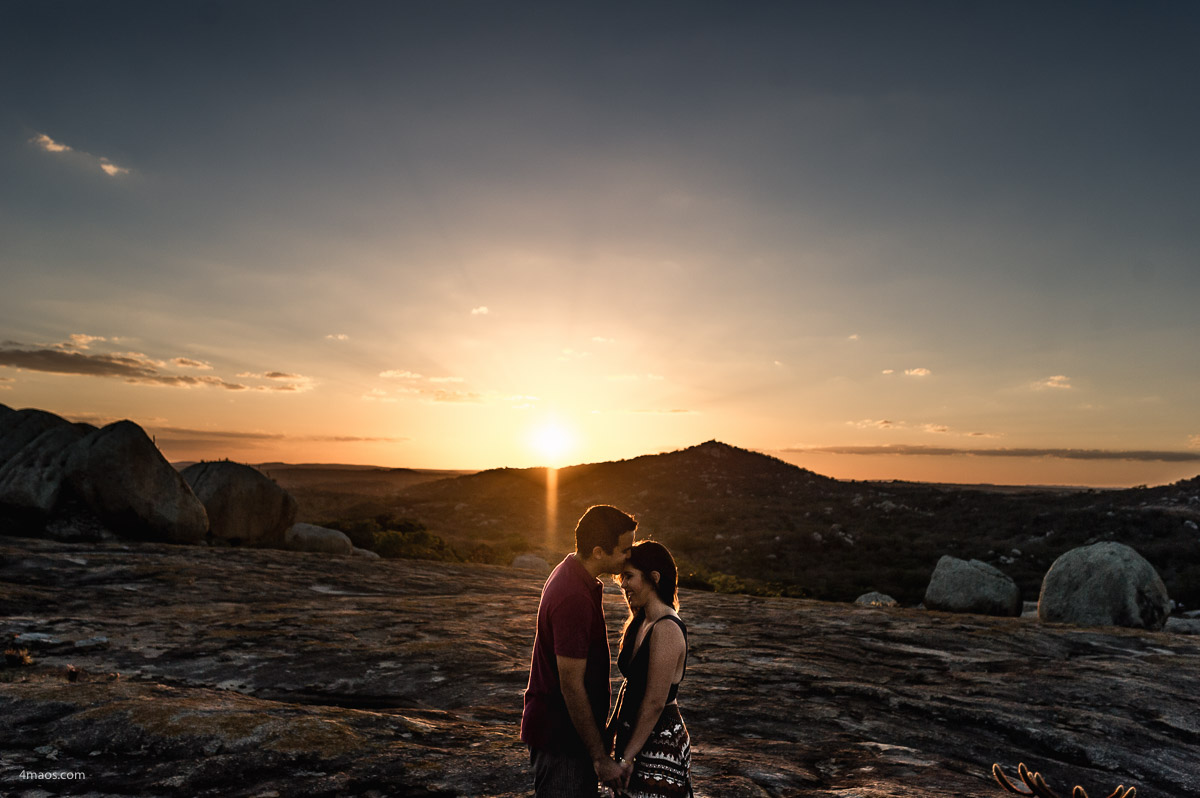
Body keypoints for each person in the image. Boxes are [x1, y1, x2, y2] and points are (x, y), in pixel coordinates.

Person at [522, 505, 638, 797]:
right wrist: (600, 757)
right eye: (625, 549)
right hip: (562, 741)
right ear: (599, 551)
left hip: (567, 736)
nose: (630, 555)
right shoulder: (573, 595)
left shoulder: (572, 573)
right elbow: (571, 685)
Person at [607, 540, 692, 798]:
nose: (623, 584)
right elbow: (629, 685)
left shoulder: (666, 627)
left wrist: (626, 759)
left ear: (653, 578)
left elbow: (655, 701)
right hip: (635, 736)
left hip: (660, 743)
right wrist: (609, 736)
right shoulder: (642, 620)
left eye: (629, 576)